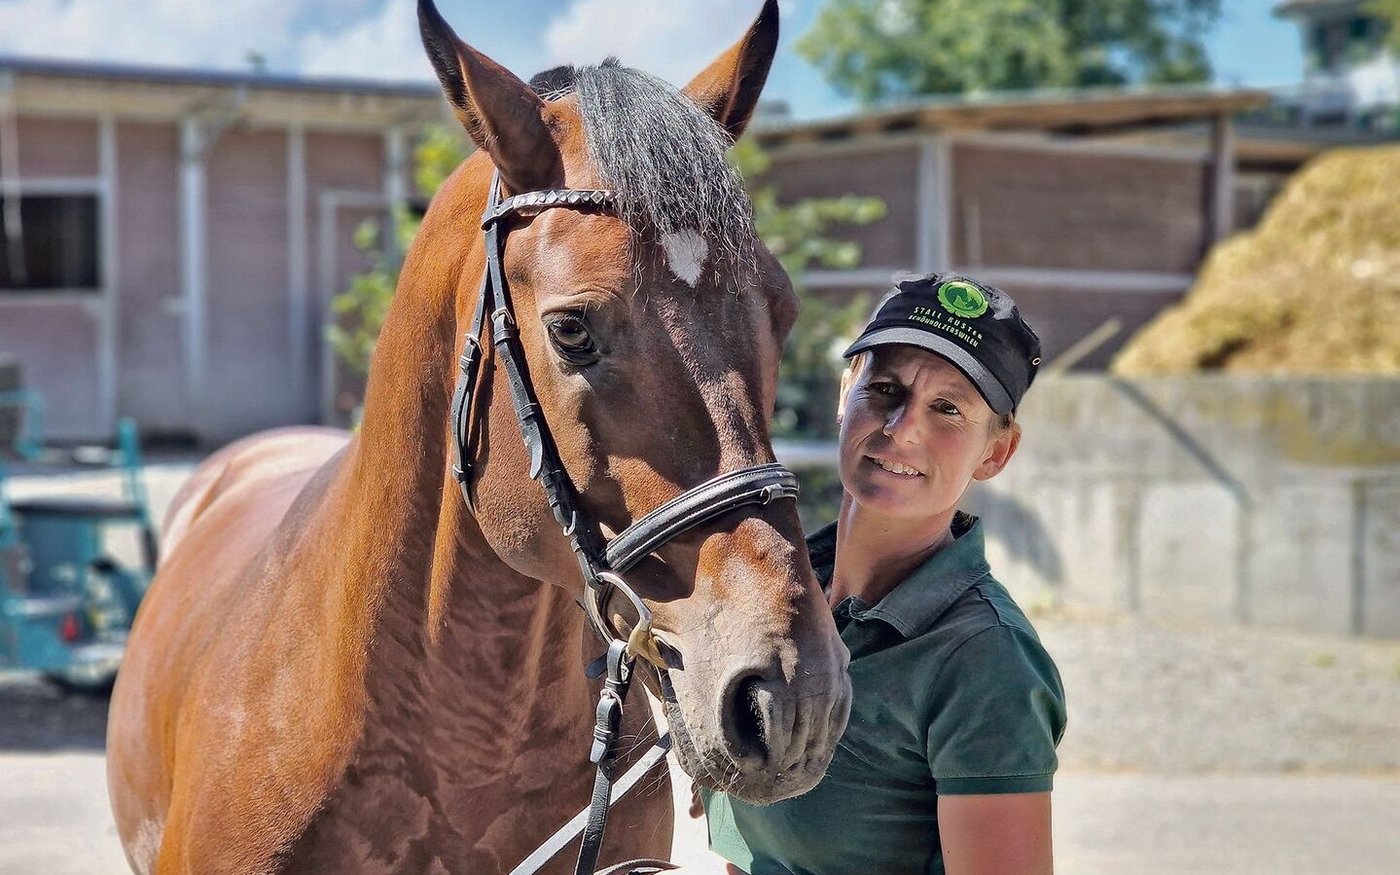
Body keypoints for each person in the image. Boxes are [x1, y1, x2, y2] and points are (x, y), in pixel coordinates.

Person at [688, 272, 1067, 875]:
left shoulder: (985, 661)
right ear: (846, 395)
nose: (901, 428)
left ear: (996, 452)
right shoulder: (772, 601)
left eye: (948, 408)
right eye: (886, 389)